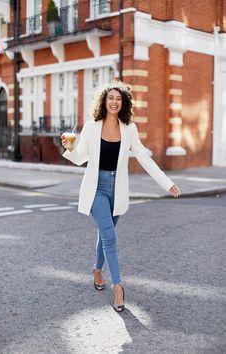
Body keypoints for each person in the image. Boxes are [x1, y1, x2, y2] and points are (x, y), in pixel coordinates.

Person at [61, 81, 180, 313]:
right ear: (103, 102)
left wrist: (167, 183)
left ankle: (97, 270)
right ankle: (118, 287)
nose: (114, 102)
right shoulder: (91, 127)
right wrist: (69, 147)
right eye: (110, 98)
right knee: (110, 237)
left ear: (123, 103)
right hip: (96, 188)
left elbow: (144, 158)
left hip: (118, 188)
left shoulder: (129, 129)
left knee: (105, 234)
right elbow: (80, 158)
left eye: (119, 99)